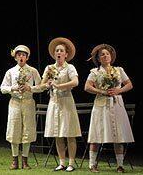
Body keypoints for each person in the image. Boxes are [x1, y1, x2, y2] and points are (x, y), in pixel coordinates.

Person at [84, 44, 134, 173]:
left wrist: (119, 90)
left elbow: (129, 84)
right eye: (102, 54)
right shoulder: (95, 72)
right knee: (97, 134)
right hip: (101, 105)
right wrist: (101, 91)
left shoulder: (119, 70)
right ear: (99, 58)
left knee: (118, 135)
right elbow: (87, 87)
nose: (105, 56)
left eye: (107, 54)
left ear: (111, 56)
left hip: (116, 105)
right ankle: (92, 164)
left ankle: (120, 165)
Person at [39, 37, 81, 172]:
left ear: (66, 54)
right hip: (54, 102)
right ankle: (62, 162)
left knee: (69, 133)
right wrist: (47, 84)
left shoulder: (70, 67)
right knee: (58, 133)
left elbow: (75, 82)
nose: (58, 52)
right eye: (57, 50)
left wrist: (59, 85)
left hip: (67, 102)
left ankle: (71, 163)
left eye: (61, 50)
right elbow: (41, 85)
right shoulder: (49, 68)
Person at [0, 45, 43, 170]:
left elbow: (41, 86)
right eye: (19, 55)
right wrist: (12, 88)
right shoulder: (11, 71)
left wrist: (31, 88)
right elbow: (2, 88)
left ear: (27, 57)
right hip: (15, 102)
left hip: (28, 102)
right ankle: (14, 160)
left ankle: (25, 160)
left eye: (23, 55)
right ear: (15, 57)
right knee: (14, 130)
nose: (21, 57)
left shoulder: (33, 71)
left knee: (27, 131)